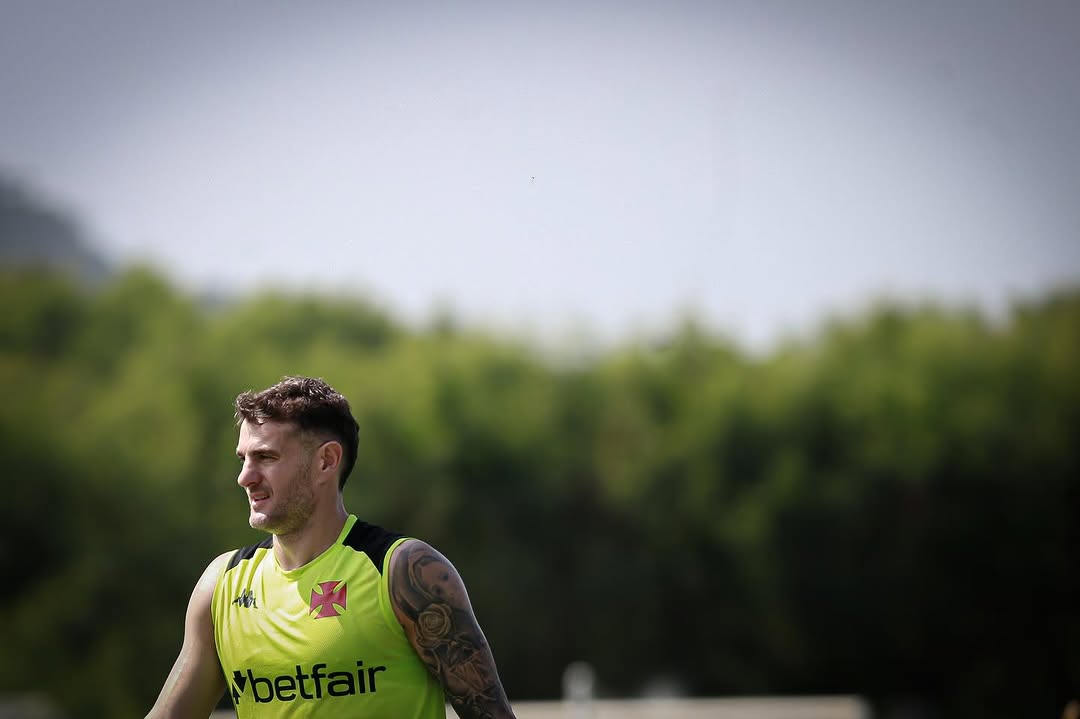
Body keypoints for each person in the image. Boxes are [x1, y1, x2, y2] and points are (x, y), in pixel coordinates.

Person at [146, 376, 517, 719]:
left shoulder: (401, 571)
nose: (245, 477)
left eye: (266, 457)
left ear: (326, 461)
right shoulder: (222, 585)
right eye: (244, 459)